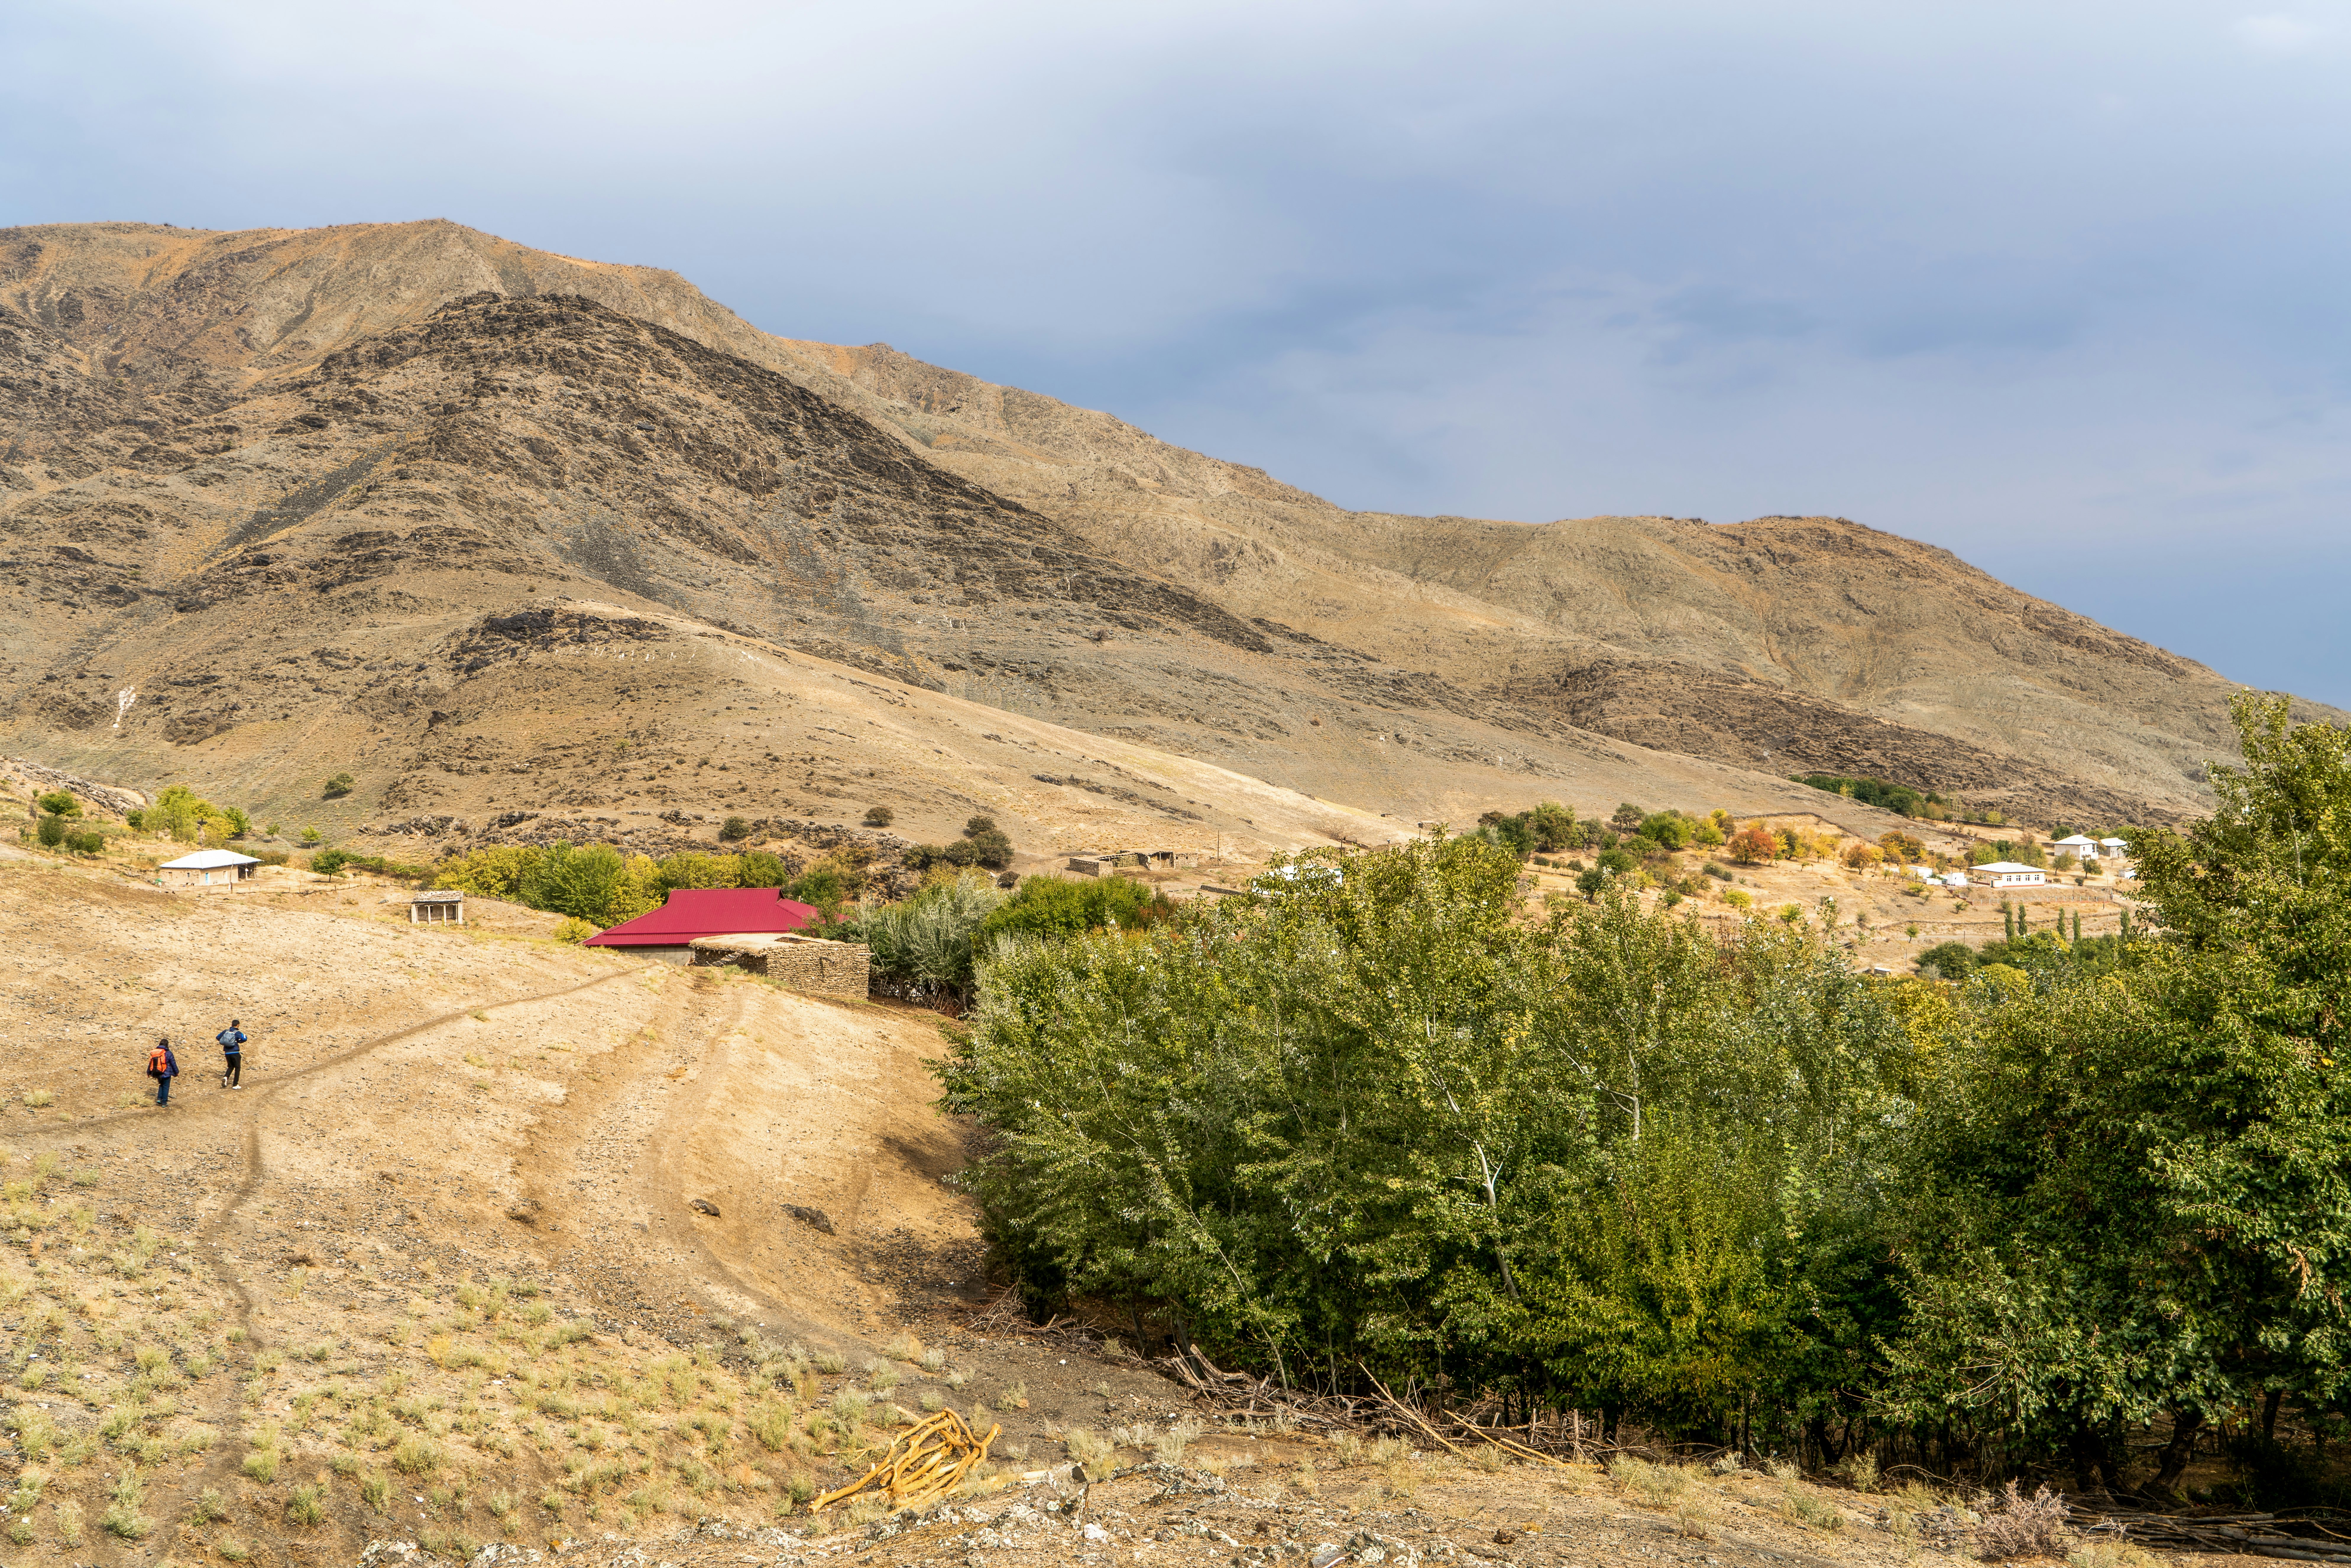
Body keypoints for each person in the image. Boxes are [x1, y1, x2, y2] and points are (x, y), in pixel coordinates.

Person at [147, 1036, 178, 1107]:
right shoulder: (169, 1053)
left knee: (161, 1085)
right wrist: (177, 1073)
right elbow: (173, 1064)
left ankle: (159, 1099)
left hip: (158, 1072)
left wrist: (149, 1072)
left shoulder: (155, 1053)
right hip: (167, 1073)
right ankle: (164, 1103)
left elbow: (151, 1063)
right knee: (166, 1087)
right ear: (167, 1045)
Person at [217, 1018, 247, 1088]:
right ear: (238, 1025)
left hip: (227, 1053)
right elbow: (245, 1038)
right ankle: (235, 1085)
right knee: (238, 1068)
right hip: (235, 1052)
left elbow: (218, 1037)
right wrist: (238, 1042)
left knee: (231, 1067)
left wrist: (226, 1042)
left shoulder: (226, 1031)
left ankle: (226, 1078)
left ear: (232, 1024)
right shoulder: (237, 1032)